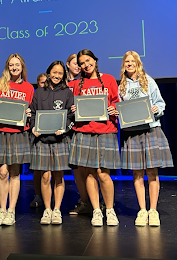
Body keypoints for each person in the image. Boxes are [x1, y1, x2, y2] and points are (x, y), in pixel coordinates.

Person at [118, 51, 173, 227]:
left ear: (138, 63)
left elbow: (161, 103)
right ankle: (142, 210)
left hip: (150, 130)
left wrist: (156, 108)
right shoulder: (122, 86)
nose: (129, 64)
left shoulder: (148, 81)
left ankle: (153, 210)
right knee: (137, 173)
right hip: (132, 132)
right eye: (127, 61)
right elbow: (120, 108)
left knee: (152, 172)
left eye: (132, 61)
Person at [69, 49, 120, 227]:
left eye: (88, 60)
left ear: (95, 60)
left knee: (104, 173)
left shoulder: (109, 79)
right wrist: (74, 110)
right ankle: (96, 210)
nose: (86, 65)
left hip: (106, 130)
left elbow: (116, 101)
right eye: (82, 63)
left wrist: (115, 109)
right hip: (84, 130)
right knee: (90, 173)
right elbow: (73, 106)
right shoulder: (77, 84)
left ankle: (110, 210)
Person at [0, 53, 34, 226]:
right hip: (0, 131)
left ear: (22, 67)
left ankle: (11, 210)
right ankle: (2, 209)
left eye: (17, 65)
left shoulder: (29, 88)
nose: (14, 68)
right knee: (2, 172)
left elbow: (31, 108)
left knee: (15, 172)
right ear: (7, 67)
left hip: (18, 133)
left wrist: (30, 114)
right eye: (11, 65)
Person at [30, 61, 74, 225]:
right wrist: (33, 127)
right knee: (45, 176)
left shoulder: (67, 93)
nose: (57, 76)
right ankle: (47, 210)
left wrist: (65, 130)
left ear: (63, 76)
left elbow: (71, 116)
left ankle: (57, 210)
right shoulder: (39, 92)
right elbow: (32, 113)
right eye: (54, 72)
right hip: (42, 140)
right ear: (48, 73)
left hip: (60, 140)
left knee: (58, 177)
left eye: (60, 73)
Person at [65, 53, 91, 216]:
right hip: (66, 129)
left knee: (91, 168)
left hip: (83, 128)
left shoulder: (85, 82)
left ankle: (97, 200)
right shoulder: (63, 83)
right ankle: (84, 201)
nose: (78, 66)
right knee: (76, 168)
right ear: (67, 64)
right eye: (75, 63)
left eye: (80, 64)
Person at [29, 73, 48, 209]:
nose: (44, 85)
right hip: (38, 135)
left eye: (46, 82)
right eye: (42, 83)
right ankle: (37, 195)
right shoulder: (36, 96)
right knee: (38, 169)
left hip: (53, 135)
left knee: (51, 171)